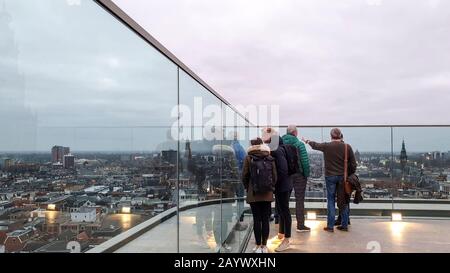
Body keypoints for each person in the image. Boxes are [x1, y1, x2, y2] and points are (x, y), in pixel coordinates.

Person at [303, 128, 357, 232]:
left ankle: (330, 226)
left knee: (331, 200)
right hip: (343, 177)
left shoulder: (327, 146)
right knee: (343, 200)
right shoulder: (347, 147)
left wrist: (307, 141)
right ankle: (344, 225)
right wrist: (348, 174)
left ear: (331, 136)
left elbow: (316, 145)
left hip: (330, 176)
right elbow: (353, 164)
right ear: (340, 135)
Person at [242, 138, 277, 253]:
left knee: (257, 219)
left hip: (254, 193)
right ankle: (264, 246)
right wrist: (270, 188)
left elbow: (245, 176)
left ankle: (257, 246)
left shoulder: (248, 158)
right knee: (265, 220)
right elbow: (274, 177)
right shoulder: (269, 157)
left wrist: (249, 188)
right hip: (267, 193)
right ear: (262, 145)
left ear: (251, 146)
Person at [262, 128, 292, 252]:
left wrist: (274, 182)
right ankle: (281, 234)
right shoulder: (281, 146)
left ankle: (287, 240)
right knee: (281, 209)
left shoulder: (276, 150)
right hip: (285, 184)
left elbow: (282, 169)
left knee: (284, 211)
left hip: (282, 185)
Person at [282, 125, 311, 232]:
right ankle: (300, 225)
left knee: (284, 201)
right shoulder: (299, 144)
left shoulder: (281, 144)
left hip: (285, 175)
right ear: (295, 133)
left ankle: (283, 225)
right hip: (299, 175)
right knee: (299, 200)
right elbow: (304, 161)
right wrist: (306, 174)